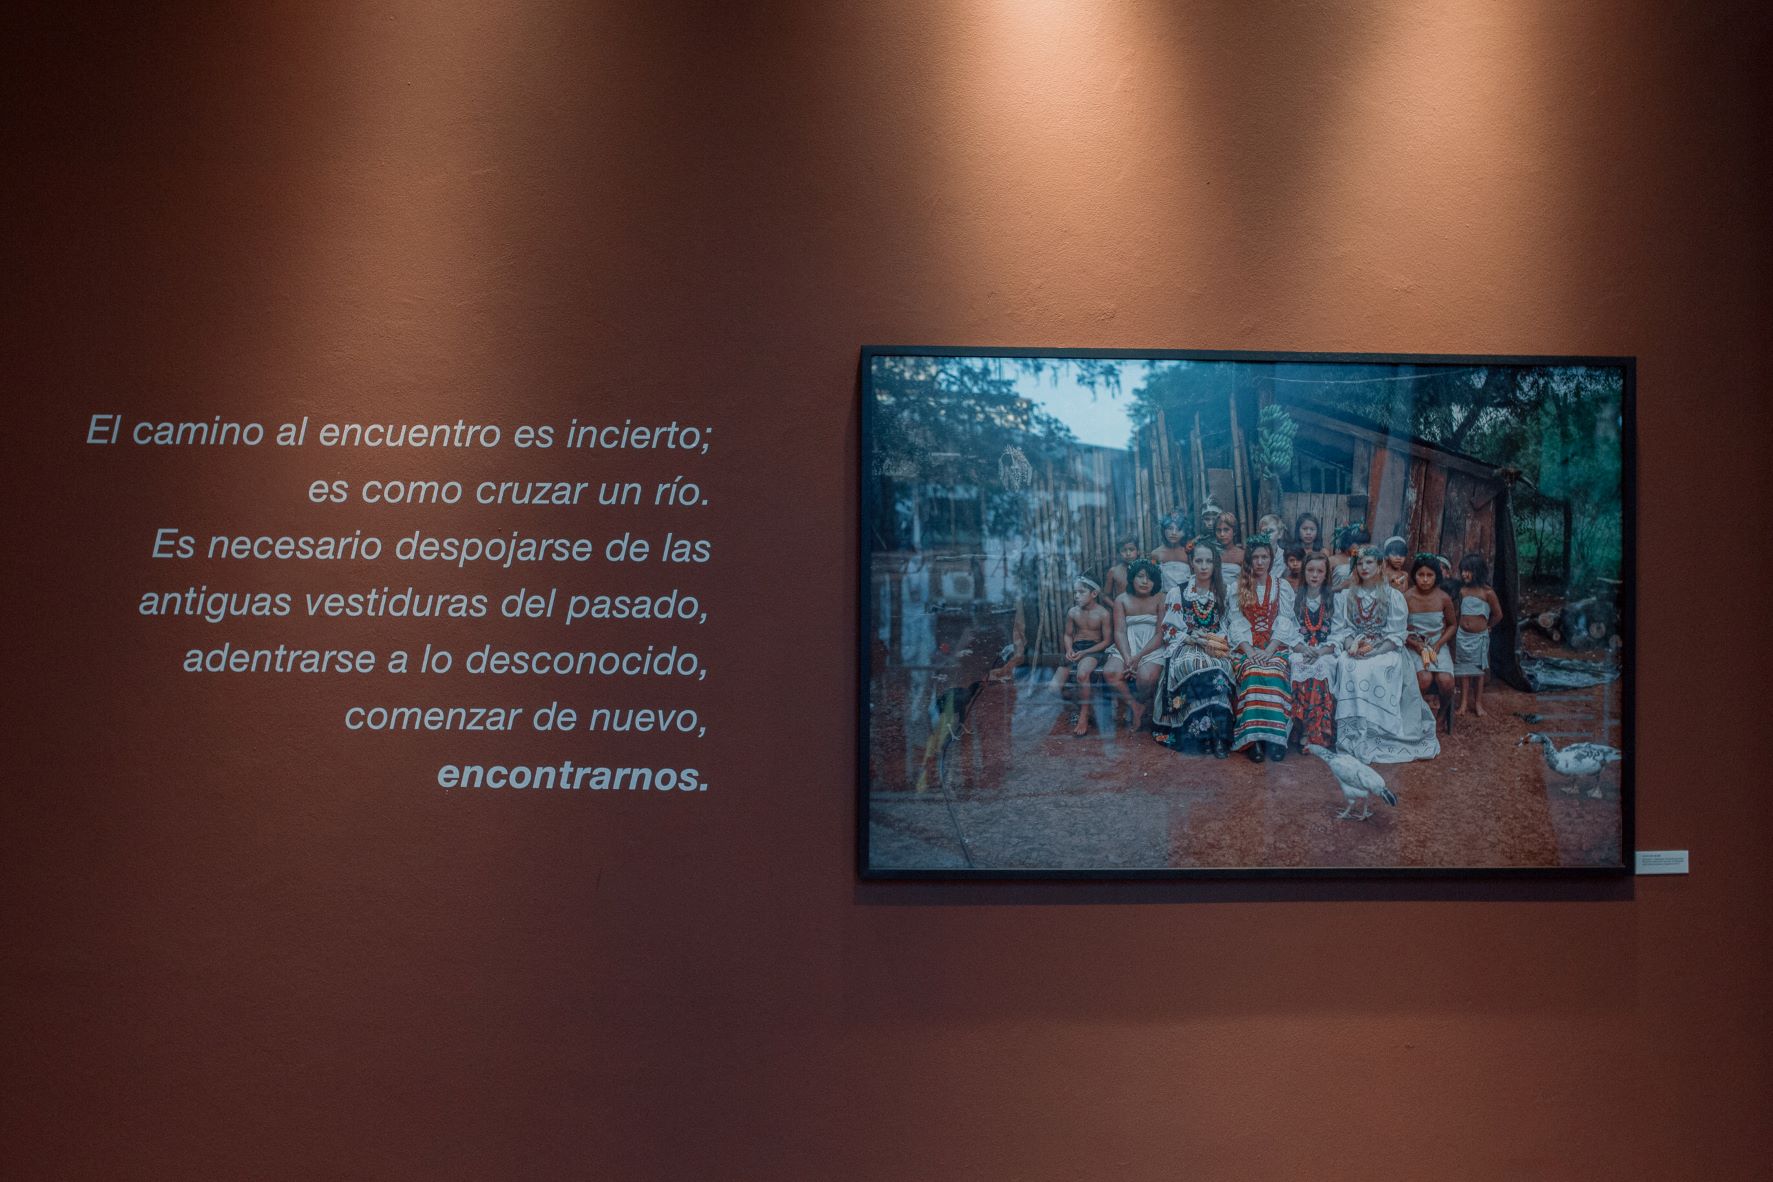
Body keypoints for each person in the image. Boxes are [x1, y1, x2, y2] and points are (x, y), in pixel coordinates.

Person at [1330, 545, 1440, 763]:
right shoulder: (1346, 595)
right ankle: (1355, 732)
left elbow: (1396, 634)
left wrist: (1374, 651)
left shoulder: (1392, 595)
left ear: (1380, 566)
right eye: (1360, 563)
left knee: (1381, 666)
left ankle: (1379, 732)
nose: (1364, 567)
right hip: (1357, 647)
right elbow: (1343, 629)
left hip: (1385, 647)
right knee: (1347, 664)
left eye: (1369, 562)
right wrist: (1352, 647)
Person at [1151, 540, 1236, 757]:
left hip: (1216, 645)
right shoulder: (1178, 592)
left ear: (1215, 564)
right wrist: (1191, 638)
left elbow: (1229, 625)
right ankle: (1199, 736)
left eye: (1209, 561)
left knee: (1218, 669)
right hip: (1186, 644)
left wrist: (1214, 640)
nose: (1204, 566)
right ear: (1191, 563)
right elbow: (1170, 629)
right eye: (1199, 561)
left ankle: (1219, 736)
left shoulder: (1224, 592)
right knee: (1192, 666)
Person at [1228, 535, 1298, 762]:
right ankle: (1253, 740)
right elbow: (1236, 622)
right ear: (1249, 559)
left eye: (1264, 557)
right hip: (1246, 648)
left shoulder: (1281, 586)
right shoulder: (1238, 587)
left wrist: (1269, 651)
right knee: (1252, 671)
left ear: (1271, 558)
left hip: (1273, 647)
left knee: (1275, 671)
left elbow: (1285, 621)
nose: (1260, 562)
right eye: (1255, 557)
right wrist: (1250, 652)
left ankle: (1275, 738)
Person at [1101, 559, 1167, 731]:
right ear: (1132, 578)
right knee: (1110, 672)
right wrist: (1128, 657)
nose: (1145, 582)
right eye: (1140, 576)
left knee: (1146, 678)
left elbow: (1160, 634)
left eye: (1150, 578)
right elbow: (1120, 632)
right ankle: (1134, 706)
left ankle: (1144, 703)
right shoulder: (1121, 599)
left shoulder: (1161, 598)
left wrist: (1138, 657)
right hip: (1127, 644)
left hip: (1151, 645)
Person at [1288, 552, 1340, 750]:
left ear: (1326, 575)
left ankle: (1315, 731)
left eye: (1320, 571)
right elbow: (1289, 631)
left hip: (1325, 652)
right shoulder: (1295, 599)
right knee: (1297, 663)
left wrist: (1320, 652)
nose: (1315, 575)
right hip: (1301, 649)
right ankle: (1300, 727)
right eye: (1310, 570)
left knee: (1322, 667)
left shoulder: (1334, 600)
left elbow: (1339, 633)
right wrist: (1303, 649)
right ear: (1304, 572)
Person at [1049, 577, 1111, 736]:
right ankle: (1082, 704)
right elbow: (1068, 635)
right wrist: (1069, 649)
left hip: (1094, 649)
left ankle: (1083, 715)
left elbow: (1106, 641)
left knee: (1082, 675)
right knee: (1053, 688)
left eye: (1081, 592)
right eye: (1075, 592)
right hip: (1076, 648)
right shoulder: (1073, 612)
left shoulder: (1103, 614)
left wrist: (1085, 652)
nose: (1076, 596)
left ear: (1094, 594)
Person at [1403, 554, 1457, 733]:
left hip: (1436, 645)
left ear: (1436, 576)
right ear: (1414, 575)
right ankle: (1416, 714)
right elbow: (1399, 629)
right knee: (1424, 679)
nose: (1425, 579)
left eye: (1429, 575)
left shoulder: (1443, 598)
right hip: (1414, 644)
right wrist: (1415, 645)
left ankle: (1441, 715)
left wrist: (1440, 643)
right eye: (1421, 575)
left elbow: (1452, 625)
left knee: (1446, 681)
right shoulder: (1407, 597)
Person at [1454, 553, 1503, 717]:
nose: (1464, 574)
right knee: (1464, 669)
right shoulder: (1462, 591)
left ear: (1478, 571)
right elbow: (1460, 612)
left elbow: (1498, 615)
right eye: (1463, 570)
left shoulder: (1488, 593)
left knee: (1478, 670)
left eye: (1468, 571)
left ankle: (1478, 703)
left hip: (1479, 638)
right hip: (1462, 636)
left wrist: (1488, 626)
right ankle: (1463, 703)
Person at [1152, 512, 1194, 593]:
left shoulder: (1188, 552)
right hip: (1165, 596)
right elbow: (1153, 579)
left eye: (1179, 529)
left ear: (1184, 532)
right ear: (1163, 530)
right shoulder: (1156, 554)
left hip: (1186, 596)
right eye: (1170, 528)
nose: (1174, 533)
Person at [1328, 523, 1370, 592]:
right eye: (1359, 544)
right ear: (1348, 543)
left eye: (1365, 544)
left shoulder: (1365, 560)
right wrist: (1340, 587)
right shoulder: (1332, 560)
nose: (1363, 547)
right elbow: (1323, 590)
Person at [1213, 511, 1245, 596]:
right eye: (1218, 530)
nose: (1222, 534)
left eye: (1226, 530)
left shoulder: (1242, 554)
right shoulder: (1212, 553)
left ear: (1234, 531)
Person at [1103, 538, 1140, 602]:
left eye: (1131, 550)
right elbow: (1105, 596)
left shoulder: (1146, 570)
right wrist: (1116, 606)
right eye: (1124, 550)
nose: (1128, 554)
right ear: (1119, 553)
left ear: (1138, 551)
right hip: (1122, 607)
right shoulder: (1114, 571)